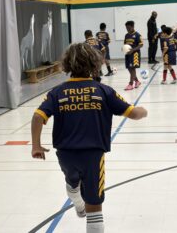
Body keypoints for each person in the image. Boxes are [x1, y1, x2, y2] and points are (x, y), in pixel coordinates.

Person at [31, 42, 148, 233]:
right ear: (95, 64)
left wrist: (36, 145)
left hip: (65, 154)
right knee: (94, 204)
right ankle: (81, 202)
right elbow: (133, 113)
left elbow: (38, 116)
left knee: (72, 181)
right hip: (93, 155)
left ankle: (75, 196)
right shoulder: (103, 91)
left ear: (67, 64)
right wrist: (142, 111)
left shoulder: (57, 92)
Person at [124, 21, 143, 91]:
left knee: (132, 68)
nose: (127, 29)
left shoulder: (138, 35)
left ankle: (131, 84)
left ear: (132, 27)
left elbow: (141, 45)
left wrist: (133, 50)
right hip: (128, 54)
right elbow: (125, 44)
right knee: (129, 68)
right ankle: (137, 81)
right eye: (126, 28)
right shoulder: (126, 35)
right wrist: (123, 49)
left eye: (128, 28)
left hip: (135, 54)